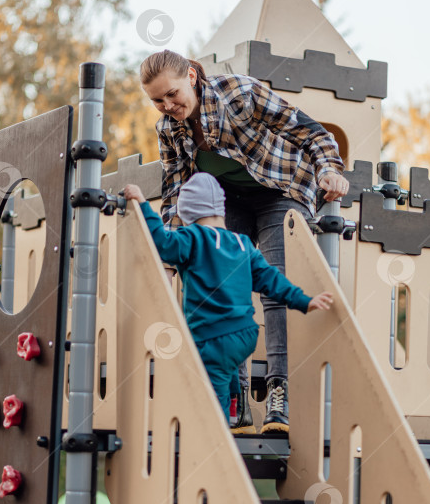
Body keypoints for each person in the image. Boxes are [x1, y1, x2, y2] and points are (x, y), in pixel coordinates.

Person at [139, 49, 348, 434]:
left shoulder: (241, 94)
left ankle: (278, 390)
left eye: (172, 94)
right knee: (220, 277)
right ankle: (234, 400)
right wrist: (170, 252)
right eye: (157, 100)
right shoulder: (169, 130)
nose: (168, 105)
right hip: (227, 202)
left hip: (279, 191)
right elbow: (175, 190)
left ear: (191, 77)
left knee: (271, 283)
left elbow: (310, 131)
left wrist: (330, 169)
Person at [124, 174, 333, 428]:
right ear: (221, 211)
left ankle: (218, 430)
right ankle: (235, 407)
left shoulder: (192, 239)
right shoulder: (243, 244)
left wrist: (143, 204)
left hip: (212, 337)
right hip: (245, 336)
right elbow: (272, 281)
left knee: (213, 390)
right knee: (227, 367)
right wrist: (304, 301)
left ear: (188, 214)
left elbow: (162, 243)